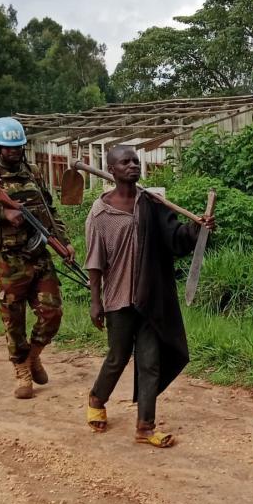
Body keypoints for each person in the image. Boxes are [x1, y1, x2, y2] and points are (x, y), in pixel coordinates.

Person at [85, 145, 214, 447]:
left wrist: (197, 230)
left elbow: (175, 237)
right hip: (118, 299)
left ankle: (145, 426)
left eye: (135, 161)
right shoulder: (101, 213)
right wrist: (95, 300)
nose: (132, 166)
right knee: (117, 357)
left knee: (150, 362)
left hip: (150, 297)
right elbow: (94, 260)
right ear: (112, 169)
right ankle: (96, 398)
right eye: (125, 162)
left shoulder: (153, 203)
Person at [0, 117, 70, 398]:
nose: (13, 152)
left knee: (52, 312)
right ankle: (21, 369)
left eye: (17, 147)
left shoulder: (33, 173)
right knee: (14, 318)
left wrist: (63, 241)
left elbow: (49, 210)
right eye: (7, 148)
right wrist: (2, 215)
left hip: (39, 254)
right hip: (9, 260)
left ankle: (33, 355)